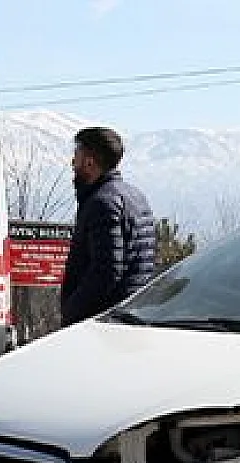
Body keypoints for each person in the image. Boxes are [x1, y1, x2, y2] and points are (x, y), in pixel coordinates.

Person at [59, 127, 156, 327]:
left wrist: (72, 312)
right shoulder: (136, 197)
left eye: (76, 154)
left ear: (89, 162)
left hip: (105, 322)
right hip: (135, 313)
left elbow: (106, 272)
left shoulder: (102, 203)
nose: (72, 162)